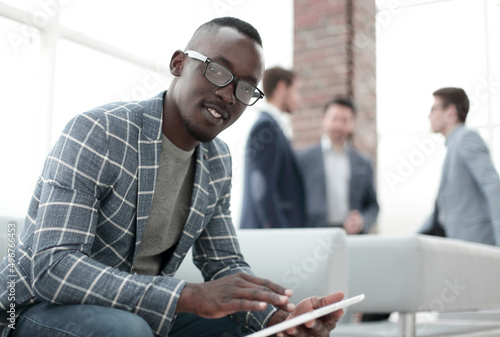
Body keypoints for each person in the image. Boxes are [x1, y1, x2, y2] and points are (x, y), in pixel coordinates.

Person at [0, 17, 345, 337]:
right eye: (217, 71)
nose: (228, 93)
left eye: (245, 88)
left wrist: (278, 319)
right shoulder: (99, 132)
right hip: (31, 307)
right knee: (128, 330)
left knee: (242, 332)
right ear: (178, 63)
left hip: (135, 308)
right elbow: (53, 267)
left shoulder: (217, 162)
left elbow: (223, 262)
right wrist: (188, 295)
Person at [420, 87, 500, 246]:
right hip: (458, 242)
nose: (429, 115)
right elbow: (441, 213)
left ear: (450, 111)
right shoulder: (453, 146)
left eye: (433, 109)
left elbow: (492, 185)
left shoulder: (466, 138)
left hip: (477, 243)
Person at [296, 97, 379, 234]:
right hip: (313, 234)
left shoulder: (363, 162)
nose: (339, 126)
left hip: (351, 236)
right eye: (334, 119)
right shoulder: (303, 159)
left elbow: (373, 206)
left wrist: (362, 221)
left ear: (352, 124)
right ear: (324, 119)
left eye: (345, 120)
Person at [240, 67, 306, 229]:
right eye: (296, 91)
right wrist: (279, 233)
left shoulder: (273, 127)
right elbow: (262, 188)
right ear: (282, 87)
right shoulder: (266, 128)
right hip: (268, 235)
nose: (299, 99)